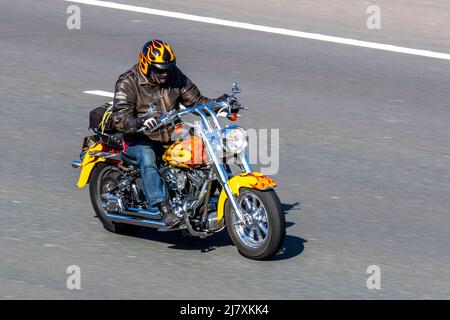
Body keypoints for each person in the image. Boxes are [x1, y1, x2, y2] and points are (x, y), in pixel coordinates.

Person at [112, 39, 227, 228]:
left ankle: (202, 198)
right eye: (159, 69)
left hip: (170, 134)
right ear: (146, 65)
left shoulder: (174, 76)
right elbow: (119, 117)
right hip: (138, 138)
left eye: (168, 68)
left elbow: (196, 101)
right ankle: (164, 208)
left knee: (205, 149)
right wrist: (139, 122)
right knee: (148, 158)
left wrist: (219, 104)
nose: (165, 73)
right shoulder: (128, 82)